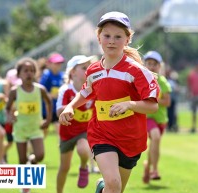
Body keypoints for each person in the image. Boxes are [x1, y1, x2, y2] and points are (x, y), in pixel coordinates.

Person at [59, 11, 159, 193]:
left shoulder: (136, 71)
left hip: (131, 140)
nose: (111, 41)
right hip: (102, 134)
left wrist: (129, 105)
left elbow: (153, 106)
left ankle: (101, 189)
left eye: (118, 36)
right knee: (114, 184)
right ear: (99, 38)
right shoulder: (93, 71)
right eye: (107, 35)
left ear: (127, 39)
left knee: (115, 189)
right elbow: (85, 92)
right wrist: (70, 107)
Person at [5, 57, 52, 193]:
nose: (29, 73)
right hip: (20, 128)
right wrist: (10, 116)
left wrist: (48, 120)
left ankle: (32, 161)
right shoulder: (15, 91)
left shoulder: (40, 89)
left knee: (40, 155)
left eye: (32, 70)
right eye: (25, 71)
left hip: (35, 128)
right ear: (19, 74)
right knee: (21, 159)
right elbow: (8, 107)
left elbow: (49, 102)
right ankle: (25, 187)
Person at [56, 55, 95, 193]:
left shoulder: (93, 89)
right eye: (83, 68)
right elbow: (58, 111)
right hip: (66, 133)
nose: (87, 70)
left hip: (84, 131)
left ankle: (84, 166)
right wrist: (69, 108)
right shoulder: (65, 90)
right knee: (64, 167)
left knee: (83, 149)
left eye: (88, 67)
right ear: (73, 72)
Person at [142, 51, 171, 184]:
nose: (151, 67)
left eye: (154, 64)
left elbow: (167, 102)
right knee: (156, 137)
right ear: (144, 65)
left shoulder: (163, 82)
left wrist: (154, 100)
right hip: (147, 117)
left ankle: (147, 167)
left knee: (154, 143)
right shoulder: (141, 81)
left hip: (161, 118)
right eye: (149, 64)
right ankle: (154, 170)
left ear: (159, 66)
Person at [39, 52, 65, 137]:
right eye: (56, 63)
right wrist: (52, 95)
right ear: (49, 64)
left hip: (56, 109)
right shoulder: (47, 75)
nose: (58, 65)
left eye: (60, 63)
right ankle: (33, 149)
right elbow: (40, 91)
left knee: (60, 131)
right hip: (45, 110)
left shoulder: (62, 76)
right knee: (43, 133)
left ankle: (62, 149)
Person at [166, 67, 179, 132]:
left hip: (173, 99)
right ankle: (168, 126)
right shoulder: (165, 79)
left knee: (173, 113)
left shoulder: (173, 80)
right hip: (167, 99)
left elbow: (177, 88)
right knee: (167, 113)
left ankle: (173, 126)